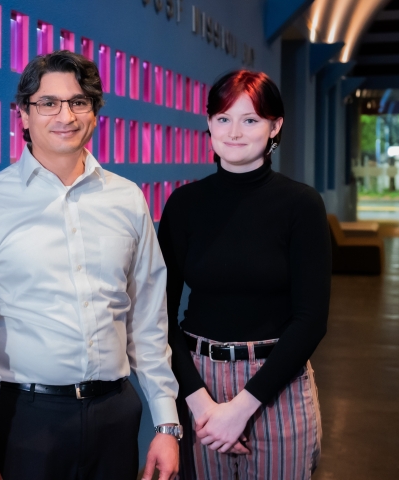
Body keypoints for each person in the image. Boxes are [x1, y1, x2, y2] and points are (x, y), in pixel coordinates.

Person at [0, 50, 182, 480]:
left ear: (94, 113)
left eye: (79, 102)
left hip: (115, 415)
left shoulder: (128, 199)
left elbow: (149, 324)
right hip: (22, 420)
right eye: (48, 103)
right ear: (22, 115)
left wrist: (166, 424)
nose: (66, 115)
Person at [157, 70, 330, 479]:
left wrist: (241, 408)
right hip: (199, 382)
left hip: (277, 383)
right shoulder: (184, 204)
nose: (235, 131)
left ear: (275, 127)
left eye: (250, 120)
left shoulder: (301, 205)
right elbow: (158, 313)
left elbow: (310, 321)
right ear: (209, 124)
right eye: (223, 118)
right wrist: (200, 403)